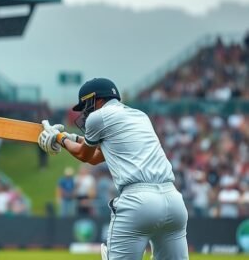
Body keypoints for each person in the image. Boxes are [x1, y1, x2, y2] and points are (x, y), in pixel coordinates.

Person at [38, 78, 189, 260]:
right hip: (174, 202)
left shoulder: (98, 117)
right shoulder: (139, 115)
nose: (85, 112)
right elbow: (99, 154)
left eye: (86, 105)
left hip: (139, 202)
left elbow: (85, 155)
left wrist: (60, 138)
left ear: (98, 99)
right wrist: (71, 138)